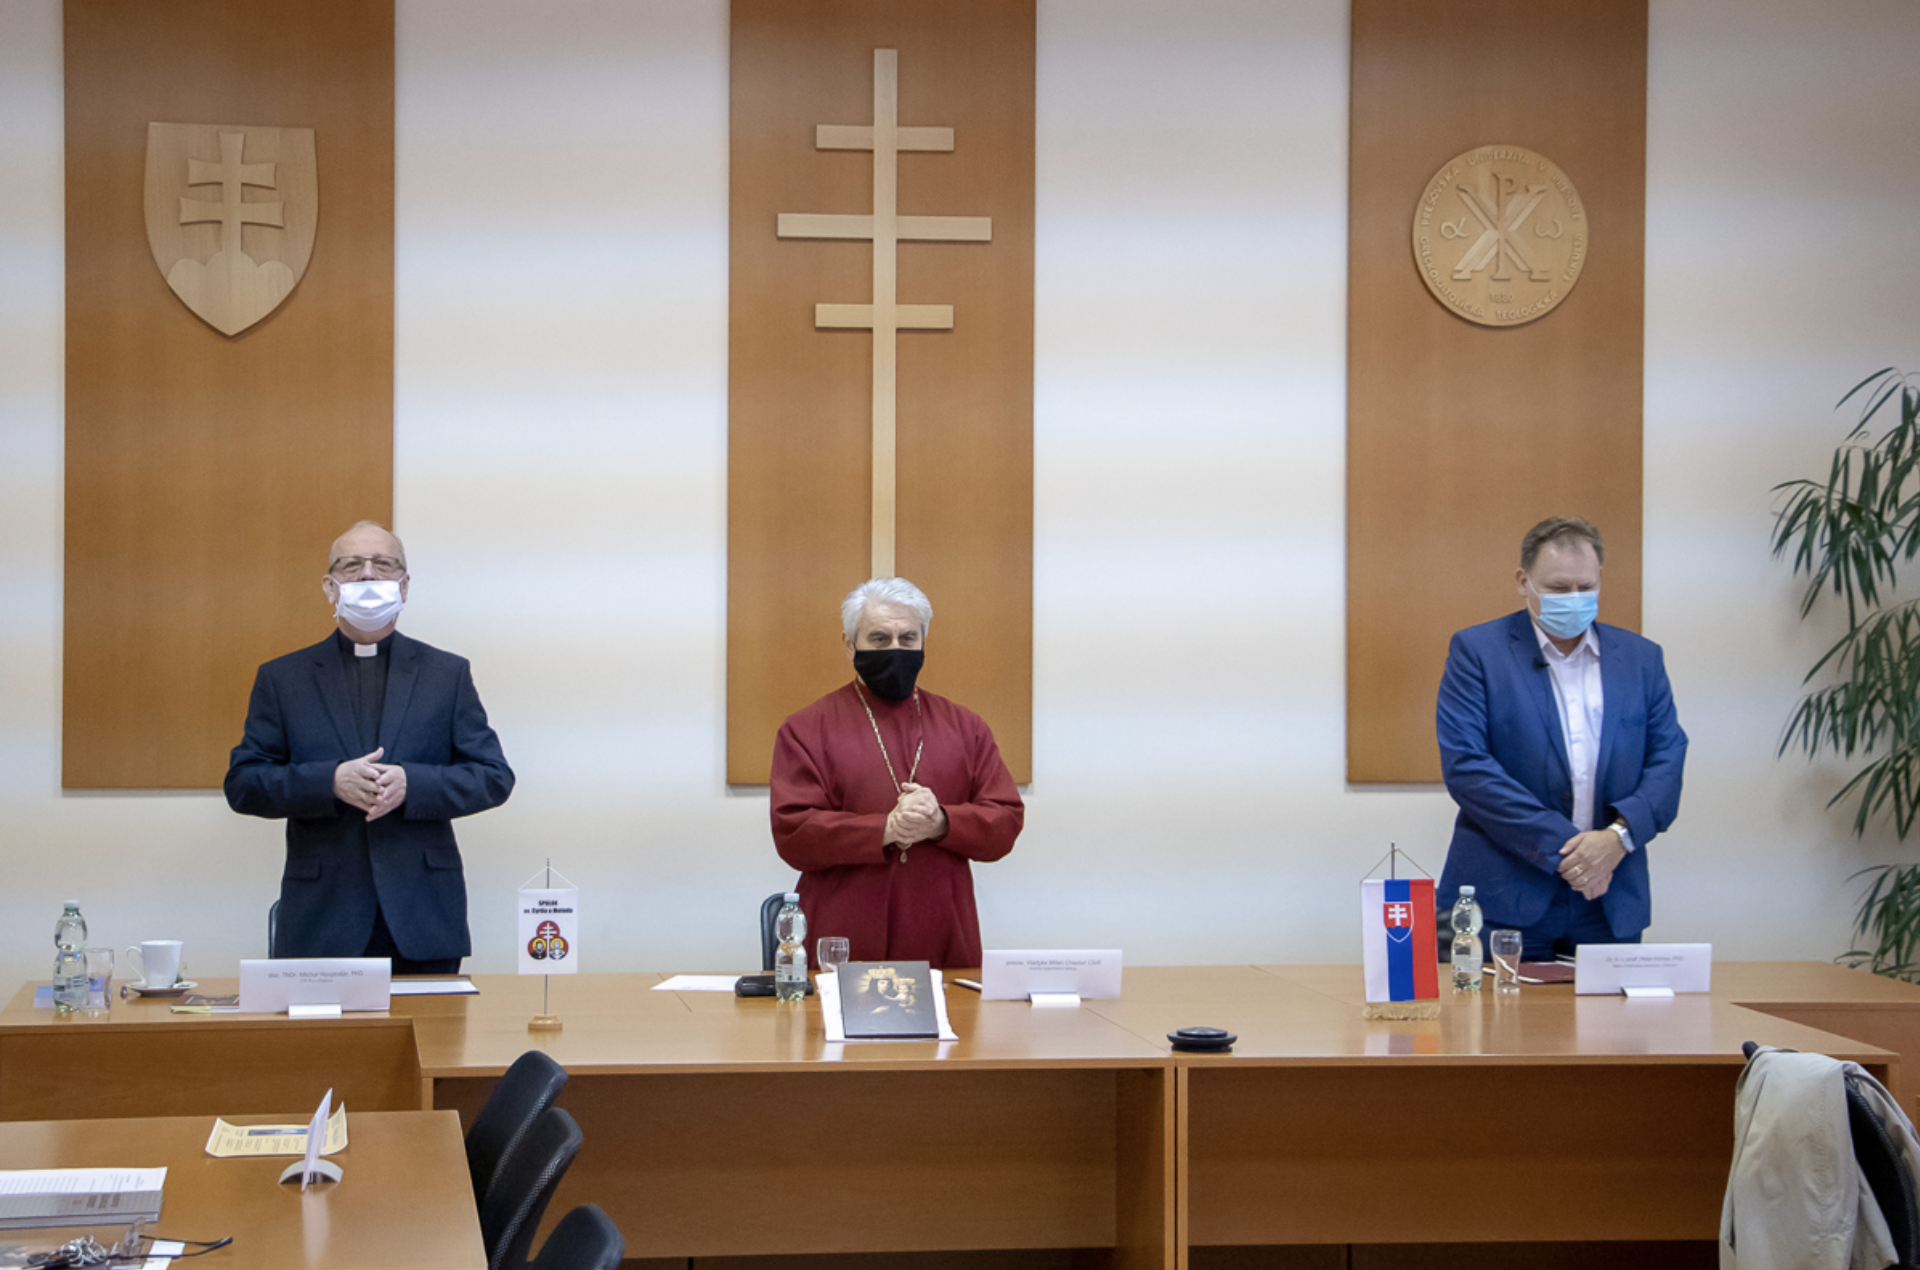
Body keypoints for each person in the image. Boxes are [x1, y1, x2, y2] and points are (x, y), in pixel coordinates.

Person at [225, 521, 514, 974]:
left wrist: (413, 784)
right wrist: (329, 781)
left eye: (383, 564)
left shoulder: (446, 674)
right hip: (321, 920)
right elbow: (243, 784)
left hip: (424, 917)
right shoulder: (283, 678)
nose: (367, 574)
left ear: (404, 585)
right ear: (330, 587)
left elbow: (493, 777)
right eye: (351, 565)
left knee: (430, 1024)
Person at [1435, 516, 1687, 961]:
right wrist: (1572, 851)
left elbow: (1668, 758)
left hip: (1609, 898)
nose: (1573, 598)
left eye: (1585, 587)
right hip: (1505, 894)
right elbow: (1467, 768)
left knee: (1607, 1011)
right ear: (1523, 581)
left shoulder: (1641, 659)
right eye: (1558, 588)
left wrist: (1617, 838)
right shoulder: (1478, 652)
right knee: (1492, 1009)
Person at [770, 577, 1024, 968]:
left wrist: (941, 822)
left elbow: (1005, 819)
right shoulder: (806, 728)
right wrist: (885, 829)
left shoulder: (965, 727)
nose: (895, 649)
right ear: (850, 644)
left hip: (941, 931)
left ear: (923, 641)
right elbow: (794, 833)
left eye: (908, 638)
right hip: (843, 934)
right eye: (879, 638)